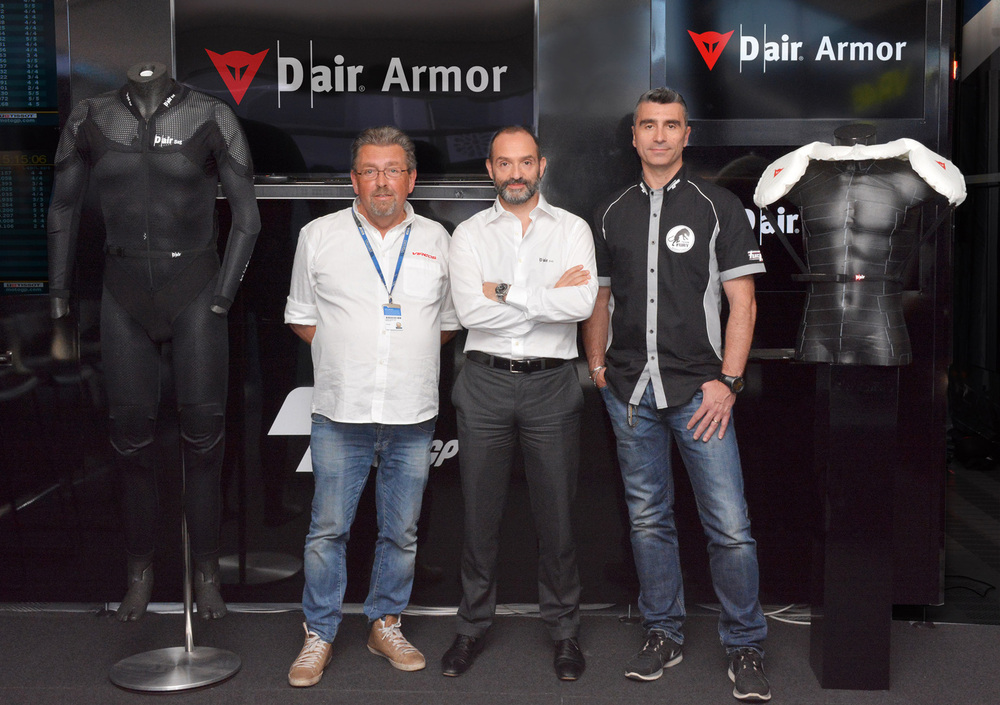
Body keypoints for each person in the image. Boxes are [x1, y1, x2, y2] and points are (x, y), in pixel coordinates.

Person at [46, 62, 260, 621]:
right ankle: (139, 571)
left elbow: (248, 217)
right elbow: (63, 206)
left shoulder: (210, 114)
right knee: (130, 442)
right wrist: (58, 292)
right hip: (122, 291)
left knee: (204, 442)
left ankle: (207, 573)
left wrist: (223, 295)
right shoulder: (91, 116)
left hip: (195, 288)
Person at [581, 88, 771, 701]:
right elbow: (600, 299)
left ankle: (745, 645)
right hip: (630, 393)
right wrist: (597, 365)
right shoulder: (609, 212)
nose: (659, 136)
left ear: (687, 135)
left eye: (671, 125)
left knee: (730, 527)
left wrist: (729, 381)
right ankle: (663, 633)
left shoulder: (719, 206)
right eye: (648, 125)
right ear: (634, 136)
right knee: (648, 521)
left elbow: (743, 302)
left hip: (701, 395)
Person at [284, 126, 460, 687]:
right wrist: (350, 354)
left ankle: (385, 623)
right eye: (370, 171)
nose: (382, 181)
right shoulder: (318, 235)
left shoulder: (439, 238)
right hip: (341, 410)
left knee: (401, 533)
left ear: (411, 178)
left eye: (392, 170)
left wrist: (401, 356)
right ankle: (319, 633)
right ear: (354, 179)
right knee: (328, 530)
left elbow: (447, 322)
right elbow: (301, 317)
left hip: (412, 411)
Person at [441, 126, 598, 681]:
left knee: (557, 518)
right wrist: (547, 295)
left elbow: (582, 303)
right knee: (478, 515)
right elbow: (470, 311)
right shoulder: (468, 234)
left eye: (525, 162)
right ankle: (470, 626)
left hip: (552, 384)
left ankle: (564, 631)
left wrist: (505, 291)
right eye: (504, 163)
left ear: (541, 166)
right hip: (483, 382)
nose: (515, 173)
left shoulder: (573, 228)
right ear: (490, 169)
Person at [753, 124, 966, 365]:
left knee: (880, 390)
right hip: (817, 324)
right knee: (813, 390)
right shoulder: (804, 177)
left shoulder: (909, 178)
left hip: (881, 323)